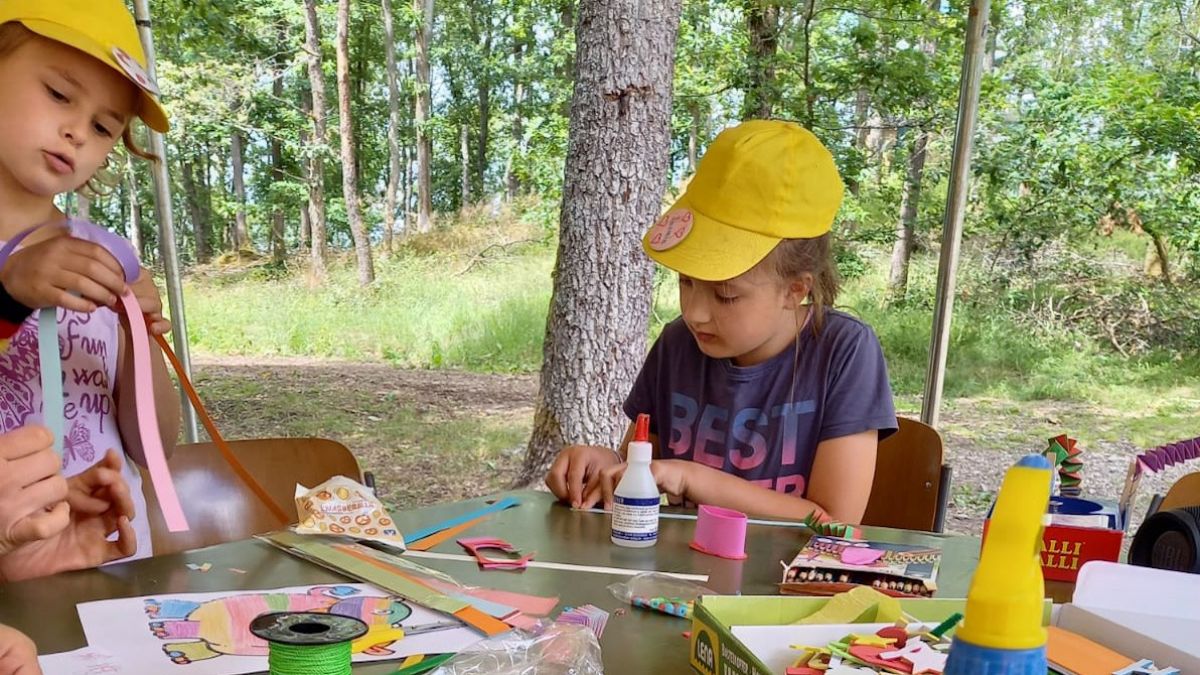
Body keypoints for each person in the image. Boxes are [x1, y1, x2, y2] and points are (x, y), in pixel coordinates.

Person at [546, 120, 898, 524]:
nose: (695, 312)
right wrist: (601, 465)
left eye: (726, 294)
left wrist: (695, 479)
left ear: (795, 290)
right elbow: (641, 468)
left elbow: (834, 520)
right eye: (686, 281)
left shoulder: (843, 352)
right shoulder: (679, 345)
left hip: (781, 583)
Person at [0, 0, 181, 561]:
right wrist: (9, 292)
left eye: (105, 126)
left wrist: (139, 340)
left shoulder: (110, 258)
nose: (78, 130)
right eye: (58, 93)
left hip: (107, 553)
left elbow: (155, 445)